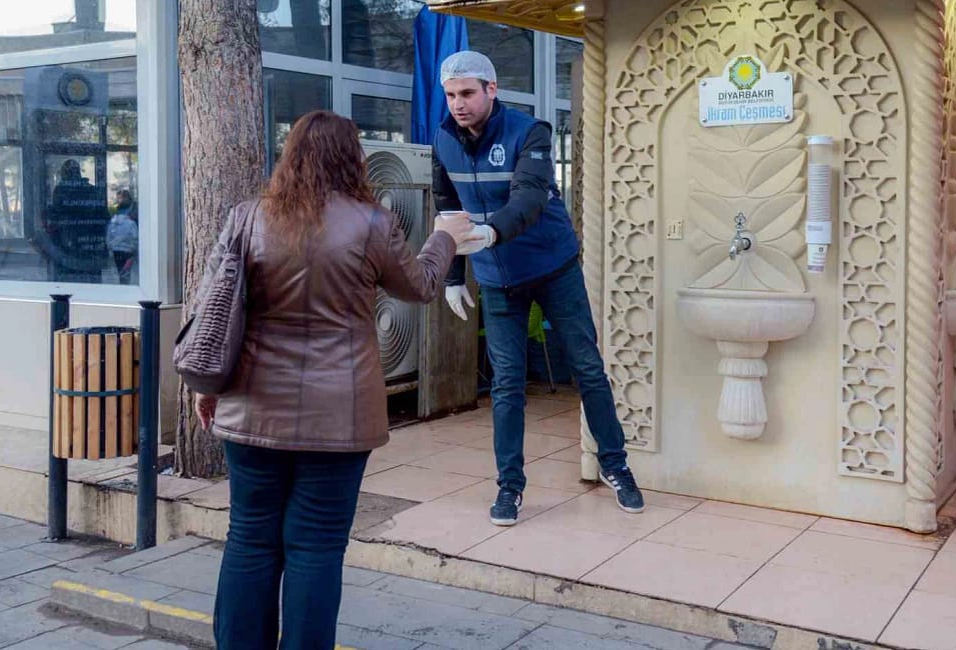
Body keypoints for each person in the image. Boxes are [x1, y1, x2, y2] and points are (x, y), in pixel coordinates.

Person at [192, 111, 478, 649]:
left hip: (252, 407)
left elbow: (217, 309)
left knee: (250, 541)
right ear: (354, 160)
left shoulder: (247, 217)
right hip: (340, 416)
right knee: (316, 548)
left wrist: (209, 387)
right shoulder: (371, 222)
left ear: (290, 155)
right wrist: (444, 239)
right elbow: (419, 286)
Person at [432, 51, 645, 526]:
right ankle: (509, 488)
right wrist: (451, 275)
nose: (458, 104)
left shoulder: (531, 132)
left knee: (587, 367)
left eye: (467, 93)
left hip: (552, 265)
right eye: (450, 95)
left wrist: (490, 233)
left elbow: (529, 197)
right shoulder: (443, 138)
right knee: (507, 385)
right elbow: (446, 204)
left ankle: (616, 466)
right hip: (496, 277)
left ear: (491, 90)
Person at [106, 189, 138, 284]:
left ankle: (124, 283)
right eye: (119, 198)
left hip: (120, 248)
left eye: (122, 198)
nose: (120, 200)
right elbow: (134, 236)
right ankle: (125, 283)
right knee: (125, 270)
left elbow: (109, 235)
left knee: (122, 269)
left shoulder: (114, 220)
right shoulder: (128, 220)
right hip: (127, 249)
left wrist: (110, 245)